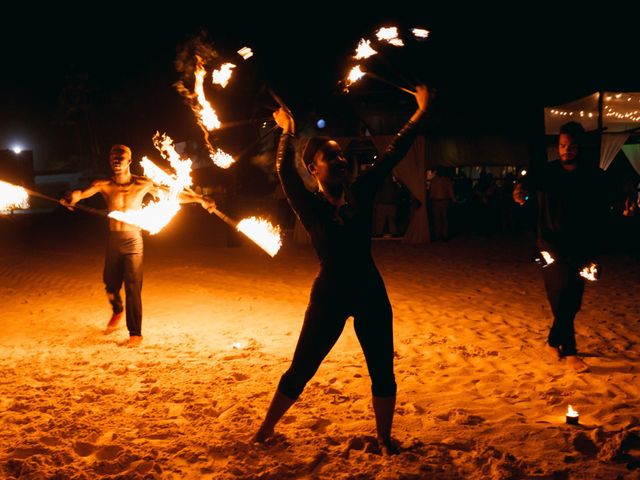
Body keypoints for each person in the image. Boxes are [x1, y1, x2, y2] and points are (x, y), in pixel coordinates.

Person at [252, 85, 429, 454]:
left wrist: (419, 112)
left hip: (369, 291)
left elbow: (394, 152)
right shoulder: (310, 206)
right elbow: (283, 171)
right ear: (312, 168)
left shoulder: (362, 191)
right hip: (330, 295)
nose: (340, 162)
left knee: (382, 369)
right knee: (302, 368)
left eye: (341, 158)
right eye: (331, 158)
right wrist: (287, 131)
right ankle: (267, 428)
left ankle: (383, 437)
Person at [60, 144, 216, 347]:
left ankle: (135, 333)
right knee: (110, 285)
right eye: (113, 157)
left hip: (134, 240)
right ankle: (117, 309)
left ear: (129, 161)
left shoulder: (143, 183)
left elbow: (171, 194)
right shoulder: (103, 184)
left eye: (121, 157)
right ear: (110, 161)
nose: (117, 160)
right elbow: (81, 193)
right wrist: (71, 197)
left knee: (133, 287)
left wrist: (199, 199)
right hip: (114, 240)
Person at [513, 122, 608, 372]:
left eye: (572, 146)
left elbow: (608, 201)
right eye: (563, 145)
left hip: (580, 246)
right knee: (561, 295)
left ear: (580, 147)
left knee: (573, 300)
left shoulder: (592, 175)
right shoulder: (546, 173)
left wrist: (625, 208)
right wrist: (519, 193)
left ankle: (554, 340)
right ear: (558, 146)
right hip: (549, 245)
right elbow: (525, 188)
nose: (567, 150)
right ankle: (571, 352)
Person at [429, 166, 455, 241]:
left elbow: (432, 191)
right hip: (443, 201)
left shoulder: (434, 180)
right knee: (443, 218)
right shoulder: (446, 180)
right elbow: (450, 191)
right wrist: (453, 199)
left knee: (438, 219)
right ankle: (443, 235)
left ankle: (439, 235)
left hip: (436, 201)